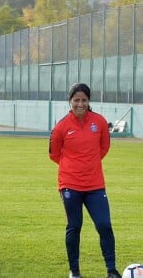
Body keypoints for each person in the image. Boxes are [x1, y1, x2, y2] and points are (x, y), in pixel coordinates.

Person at [49, 83, 121, 278]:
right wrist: (73, 167)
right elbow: (54, 154)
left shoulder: (99, 122)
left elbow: (104, 147)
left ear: (89, 101)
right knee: (74, 226)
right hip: (70, 185)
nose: (80, 104)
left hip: (95, 185)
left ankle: (111, 270)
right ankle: (74, 271)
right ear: (70, 101)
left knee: (104, 225)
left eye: (84, 100)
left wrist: (89, 164)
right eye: (76, 100)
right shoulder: (61, 127)